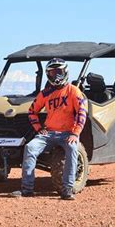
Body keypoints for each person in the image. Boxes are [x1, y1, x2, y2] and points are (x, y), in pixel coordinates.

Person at [13, 58, 88, 200]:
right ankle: (27, 189)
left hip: (68, 133)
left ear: (65, 71)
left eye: (58, 71)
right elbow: (32, 111)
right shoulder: (45, 93)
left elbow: (81, 113)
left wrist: (75, 133)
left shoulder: (73, 91)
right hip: (48, 133)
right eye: (52, 72)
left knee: (73, 149)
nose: (55, 75)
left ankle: (67, 190)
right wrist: (39, 128)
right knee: (30, 147)